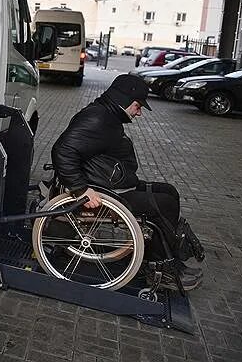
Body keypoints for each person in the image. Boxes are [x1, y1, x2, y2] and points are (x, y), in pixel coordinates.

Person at [51, 74, 203, 290]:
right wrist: (81, 190)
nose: (139, 112)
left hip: (112, 185)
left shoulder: (107, 116)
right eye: (137, 106)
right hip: (101, 193)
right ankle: (160, 269)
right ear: (123, 101)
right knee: (163, 205)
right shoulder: (97, 118)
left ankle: (166, 258)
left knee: (169, 192)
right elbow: (62, 151)